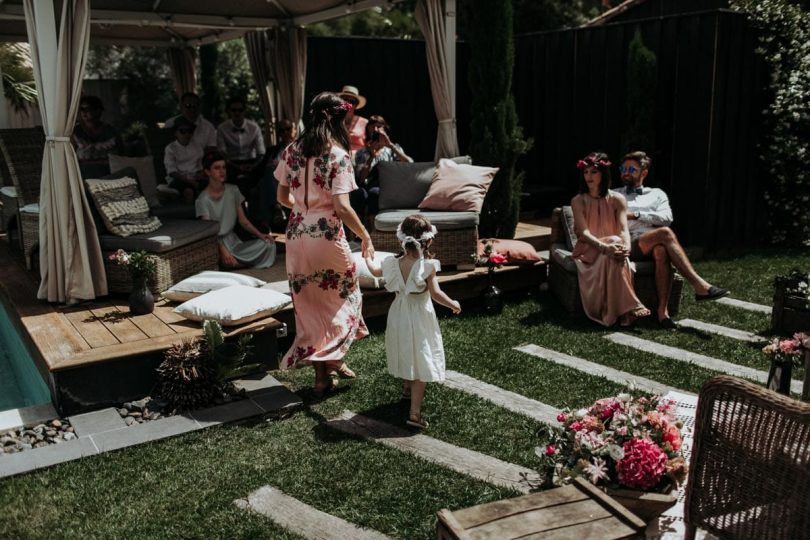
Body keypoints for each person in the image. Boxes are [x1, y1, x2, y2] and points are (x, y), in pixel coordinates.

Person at [274, 92, 373, 396]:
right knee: (348, 293)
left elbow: (281, 197)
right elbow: (342, 207)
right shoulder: (337, 155)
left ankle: (324, 373)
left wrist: (303, 213)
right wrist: (365, 236)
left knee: (312, 304)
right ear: (335, 119)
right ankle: (335, 357)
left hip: (296, 232)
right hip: (326, 233)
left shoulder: (292, 150)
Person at [365, 214, 461, 429]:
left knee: (406, 348)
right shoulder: (427, 266)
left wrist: (367, 256)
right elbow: (436, 294)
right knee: (422, 358)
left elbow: (373, 270)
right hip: (419, 315)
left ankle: (407, 389)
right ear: (428, 241)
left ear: (402, 239)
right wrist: (453, 303)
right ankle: (415, 413)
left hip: (398, 312)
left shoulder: (391, 263)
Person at [620, 151, 729, 328]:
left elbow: (667, 218)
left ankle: (663, 313)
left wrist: (636, 214)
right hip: (629, 241)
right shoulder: (615, 194)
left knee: (661, 250)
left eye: (631, 169)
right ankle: (699, 285)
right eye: (623, 168)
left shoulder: (657, 194)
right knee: (665, 233)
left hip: (654, 241)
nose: (625, 172)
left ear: (644, 173)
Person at [571, 151, 650, 327]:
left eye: (594, 172)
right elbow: (583, 233)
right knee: (613, 245)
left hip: (612, 250)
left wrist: (626, 248)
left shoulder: (618, 199)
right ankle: (630, 308)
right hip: (588, 253)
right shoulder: (578, 201)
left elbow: (623, 229)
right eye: (586, 172)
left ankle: (615, 313)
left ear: (603, 174)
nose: (589, 176)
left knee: (614, 254)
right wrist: (606, 247)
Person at [196, 150, 276, 268]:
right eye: (217, 168)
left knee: (269, 244)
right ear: (207, 172)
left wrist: (261, 235)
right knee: (224, 260)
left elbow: (243, 221)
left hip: (234, 242)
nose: (222, 171)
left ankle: (238, 264)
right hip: (216, 244)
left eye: (224, 167)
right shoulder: (202, 199)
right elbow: (209, 232)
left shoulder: (233, 190)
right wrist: (223, 250)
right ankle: (236, 263)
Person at [352, 115, 413, 223]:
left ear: (385, 129)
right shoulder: (361, 153)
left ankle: (374, 231)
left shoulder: (392, 149)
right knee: (358, 194)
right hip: (367, 186)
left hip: (387, 186)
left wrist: (390, 145)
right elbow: (361, 179)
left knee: (375, 193)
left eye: (379, 126)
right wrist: (371, 156)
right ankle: (358, 232)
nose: (375, 130)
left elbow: (410, 164)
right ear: (368, 130)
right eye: (372, 127)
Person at [216, 96, 266, 198]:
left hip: (251, 162)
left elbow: (261, 152)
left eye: (240, 110)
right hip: (231, 163)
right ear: (229, 111)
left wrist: (253, 166)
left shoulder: (254, 127)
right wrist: (237, 167)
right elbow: (222, 153)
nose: (237, 113)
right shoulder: (222, 128)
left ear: (244, 111)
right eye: (233, 110)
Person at [260, 119, 298, 231]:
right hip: (276, 182)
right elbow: (262, 168)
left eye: (288, 129)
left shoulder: (301, 148)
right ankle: (273, 214)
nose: (285, 132)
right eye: (282, 130)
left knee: (266, 181)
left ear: (295, 130)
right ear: (279, 133)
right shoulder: (273, 150)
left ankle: (272, 214)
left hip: (293, 179)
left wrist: (282, 166)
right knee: (264, 179)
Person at [72, 95, 122, 179]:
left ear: (98, 111)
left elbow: (120, 154)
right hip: (83, 175)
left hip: (107, 174)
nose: (84, 112)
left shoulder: (110, 131)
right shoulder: (75, 132)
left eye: (88, 109)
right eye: (82, 109)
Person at [164, 116, 206, 202]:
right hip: (179, 179)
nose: (187, 134)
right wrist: (191, 182)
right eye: (183, 131)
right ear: (176, 133)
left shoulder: (197, 146)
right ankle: (189, 212)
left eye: (190, 131)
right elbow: (172, 172)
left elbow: (200, 166)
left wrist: (200, 174)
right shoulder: (171, 148)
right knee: (188, 191)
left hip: (194, 177)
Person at [336, 85, 368, 158]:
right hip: (338, 157)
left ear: (356, 105)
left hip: (358, 159)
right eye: (345, 100)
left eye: (352, 101)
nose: (348, 103)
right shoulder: (334, 121)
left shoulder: (365, 122)